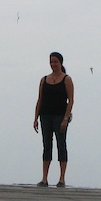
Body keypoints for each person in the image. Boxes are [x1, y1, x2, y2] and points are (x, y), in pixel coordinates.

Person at [33, 52, 74, 188]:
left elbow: (71, 100)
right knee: (46, 145)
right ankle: (44, 178)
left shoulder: (66, 79)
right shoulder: (44, 80)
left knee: (61, 145)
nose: (53, 64)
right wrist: (35, 118)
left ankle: (61, 179)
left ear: (61, 63)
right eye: (51, 62)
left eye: (55, 62)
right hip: (45, 116)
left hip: (60, 116)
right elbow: (40, 99)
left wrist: (65, 118)